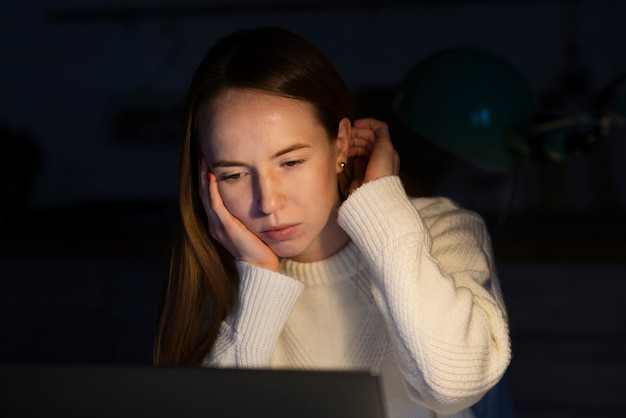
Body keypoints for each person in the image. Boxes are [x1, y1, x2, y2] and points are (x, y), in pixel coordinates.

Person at [154, 27, 512, 418]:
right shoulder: (224, 270)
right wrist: (259, 278)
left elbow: (451, 387)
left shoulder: (444, 230)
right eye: (234, 174)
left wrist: (381, 204)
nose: (268, 202)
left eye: (290, 162)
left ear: (340, 143)